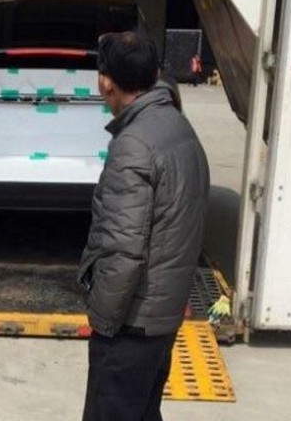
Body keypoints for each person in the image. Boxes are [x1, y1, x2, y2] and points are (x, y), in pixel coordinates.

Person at [78, 32, 209, 421]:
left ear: (105, 82)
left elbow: (123, 250)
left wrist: (103, 323)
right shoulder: (177, 127)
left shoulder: (134, 145)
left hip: (131, 325)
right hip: (161, 317)